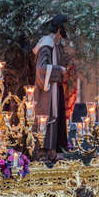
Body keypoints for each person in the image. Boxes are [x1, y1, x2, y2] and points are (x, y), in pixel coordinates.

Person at [33, 14, 69, 160]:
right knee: (46, 116)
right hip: (46, 91)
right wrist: (59, 70)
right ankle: (43, 153)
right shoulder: (46, 44)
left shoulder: (55, 45)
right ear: (59, 28)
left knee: (55, 117)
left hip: (54, 88)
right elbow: (41, 68)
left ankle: (52, 151)